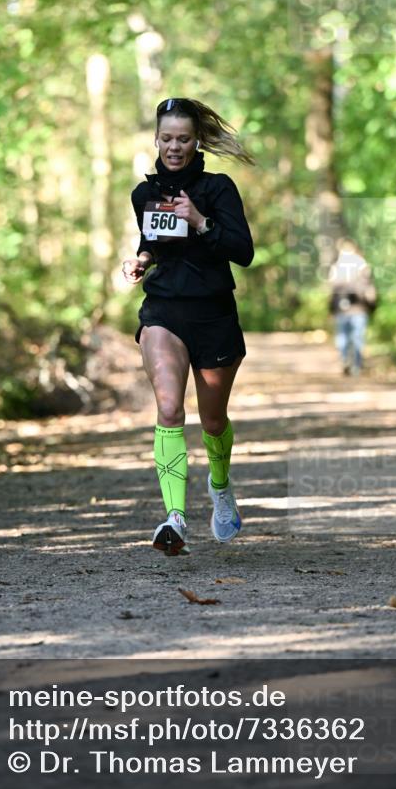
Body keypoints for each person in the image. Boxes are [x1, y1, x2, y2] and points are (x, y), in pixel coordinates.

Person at [122, 97, 255, 556]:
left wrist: (200, 221)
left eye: (182, 139)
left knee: (213, 420)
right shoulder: (144, 194)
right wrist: (141, 260)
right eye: (166, 139)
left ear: (196, 141)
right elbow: (153, 241)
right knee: (168, 408)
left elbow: (243, 250)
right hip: (164, 311)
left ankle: (220, 486)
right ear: (155, 139)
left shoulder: (219, 189)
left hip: (213, 314)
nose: (173, 147)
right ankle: (175, 518)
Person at [327, 238, 377, 376]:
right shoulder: (362, 265)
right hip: (359, 309)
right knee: (356, 337)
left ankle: (347, 361)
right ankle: (356, 365)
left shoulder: (337, 268)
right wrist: (372, 307)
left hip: (343, 309)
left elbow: (332, 292)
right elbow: (370, 290)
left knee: (344, 338)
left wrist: (331, 309)